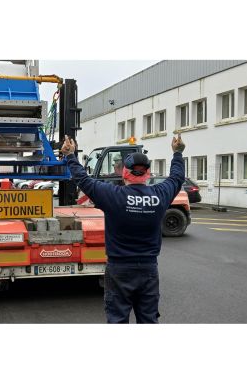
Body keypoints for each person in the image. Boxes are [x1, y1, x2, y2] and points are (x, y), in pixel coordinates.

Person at [60, 133, 186, 323]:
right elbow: (177, 178)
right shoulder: (160, 194)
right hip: (149, 269)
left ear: (124, 173)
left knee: (118, 320)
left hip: (119, 269)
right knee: (149, 321)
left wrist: (70, 156)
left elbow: (84, 180)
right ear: (148, 174)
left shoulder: (113, 195)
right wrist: (177, 153)